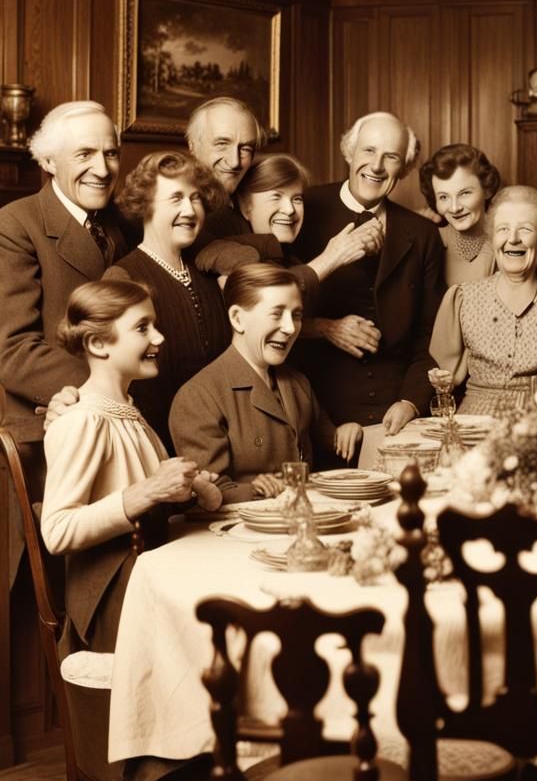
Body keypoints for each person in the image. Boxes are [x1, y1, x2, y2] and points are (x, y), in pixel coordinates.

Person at [40, 280, 221, 653]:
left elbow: (152, 493)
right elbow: (57, 531)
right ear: (97, 344)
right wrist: (147, 491)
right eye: (142, 328)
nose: (159, 338)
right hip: (112, 602)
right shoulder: (82, 421)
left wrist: (187, 486)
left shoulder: (129, 414)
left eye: (154, 325)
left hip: (145, 585)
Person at [292, 111, 445, 433]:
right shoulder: (302, 210)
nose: (376, 166)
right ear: (349, 151)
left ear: (403, 168)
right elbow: (265, 307)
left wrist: (411, 402)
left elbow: (431, 335)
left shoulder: (422, 234)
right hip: (316, 412)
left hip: (398, 411)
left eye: (390, 157)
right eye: (368, 151)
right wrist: (324, 327)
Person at [169, 264, 362, 504]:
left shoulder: (298, 382)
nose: (290, 328)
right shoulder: (197, 396)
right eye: (276, 313)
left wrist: (345, 432)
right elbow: (208, 493)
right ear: (238, 319)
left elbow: (327, 438)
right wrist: (256, 489)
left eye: (297, 315)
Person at [0, 101, 128, 446]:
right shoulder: (15, 223)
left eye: (111, 153)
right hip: (53, 429)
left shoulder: (125, 223)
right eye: (84, 154)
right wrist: (111, 385)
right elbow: (14, 351)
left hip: (124, 419)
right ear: (48, 162)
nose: (102, 169)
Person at [103, 151, 231, 452]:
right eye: (175, 199)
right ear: (144, 205)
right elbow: (118, 380)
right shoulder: (123, 276)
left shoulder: (211, 274)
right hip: (159, 446)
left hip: (221, 441)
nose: (189, 210)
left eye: (196, 198)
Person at [429, 186, 537, 414]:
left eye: (525, 229)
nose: (513, 239)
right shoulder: (463, 298)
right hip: (475, 421)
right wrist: (440, 378)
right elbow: (445, 376)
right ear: (492, 239)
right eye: (503, 229)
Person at [193, 153, 374, 305]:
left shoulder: (288, 256)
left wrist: (321, 327)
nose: (289, 210)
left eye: (297, 199)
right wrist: (332, 257)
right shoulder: (223, 246)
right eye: (276, 197)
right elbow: (264, 297)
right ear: (245, 205)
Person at [419, 143, 501, 284]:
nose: (455, 208)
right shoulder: (430, 240)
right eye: (444, 197)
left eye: (465, 193)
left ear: (487, 189)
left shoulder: (506, 240)